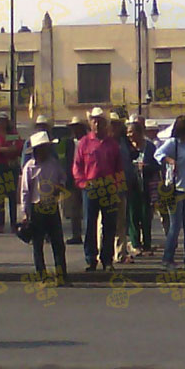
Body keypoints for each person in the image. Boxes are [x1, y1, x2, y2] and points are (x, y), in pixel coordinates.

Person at [73, 107, 123, 272]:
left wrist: (117, 186)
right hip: (91, 187)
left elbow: (118, 168)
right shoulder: (84, 143)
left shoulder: (112, 144)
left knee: (109, 225)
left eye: (100, 121)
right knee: (89, 224)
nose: (96, 123)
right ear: (90, 122)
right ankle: (90, 258)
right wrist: (82, 183)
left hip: (108, 187)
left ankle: (107, 259)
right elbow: (77, 166)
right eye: (94, 120)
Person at [20, 131, 67, 284]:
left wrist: (60, 186)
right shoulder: (29, 167)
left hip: (51, 206)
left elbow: (63, 177)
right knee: (38, 244)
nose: (45, 150)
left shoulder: (53, 163)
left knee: (58, 243)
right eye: (43, 148)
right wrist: (25, 213)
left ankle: (61, 275)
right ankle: (42, 275)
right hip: (37, 207)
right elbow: (25, 191)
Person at [155, 115, 185, 270]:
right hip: (176, 190)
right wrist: (169, 160)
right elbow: (157, 154)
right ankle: (168, 258)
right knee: (175, 226)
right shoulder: (173, 143)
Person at [127, 120, 160, 257]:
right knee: (133, 215)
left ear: (140, 133)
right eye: (128, 133)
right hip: (131, 186)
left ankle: (147, 244)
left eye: (132, 133)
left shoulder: (150, 147)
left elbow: (158, 165)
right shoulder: (127, 148)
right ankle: (135, 244)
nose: (130, 136)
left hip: (147, 186)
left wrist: (146, 167)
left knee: (146, 216)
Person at [0, 112, 23, 234]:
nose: (1, 123)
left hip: (11, 166)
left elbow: (18, 147)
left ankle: (13, 223)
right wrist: (6, 149)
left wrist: (5, 150)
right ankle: (1, 224)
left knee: (12, 196)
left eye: (3, 121)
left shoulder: (12, 134)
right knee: (0, 196)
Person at [109, 111, 133, 263]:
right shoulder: (107, 143)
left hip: (122, 186)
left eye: (118, 125)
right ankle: (103, 253)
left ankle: (120, 253)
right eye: (113, 125)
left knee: (121, 221)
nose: (116, 128)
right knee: (104, 222)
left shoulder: (123, 142)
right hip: (109, 186)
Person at [63, 117, 87, 245]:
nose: (75, 130)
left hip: (87, 178)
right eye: (74, 128)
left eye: (78, 127)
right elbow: (67, 161)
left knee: (88, 208)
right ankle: (76, 234)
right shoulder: (69, 143)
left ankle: (89, 234)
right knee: (74, 209)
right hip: (73, 179)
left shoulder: (88, 141)